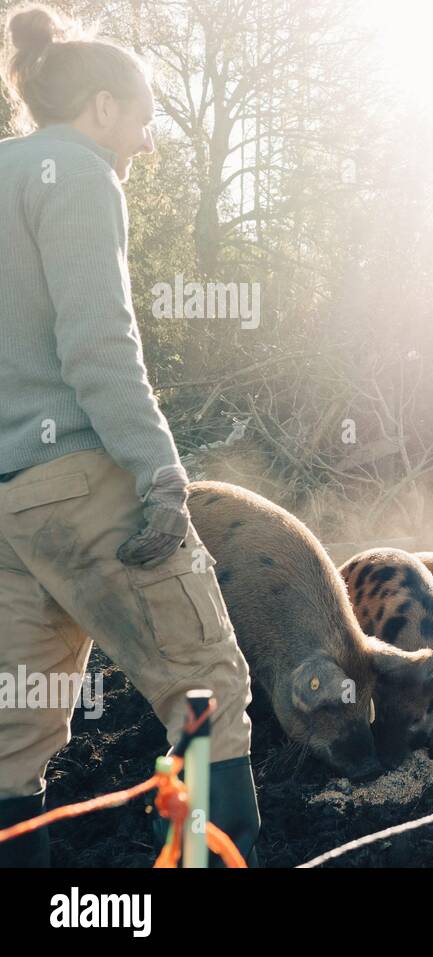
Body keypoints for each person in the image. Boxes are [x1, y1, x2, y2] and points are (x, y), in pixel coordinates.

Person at [0, 4, 258, 866]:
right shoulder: (76, 173)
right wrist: (162, 476)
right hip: (81, 480)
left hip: (9, 510)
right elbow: (99, 349)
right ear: (102, 108)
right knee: (206, 695)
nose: (146, 144)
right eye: (143, 120)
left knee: (14, 734)